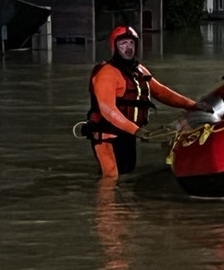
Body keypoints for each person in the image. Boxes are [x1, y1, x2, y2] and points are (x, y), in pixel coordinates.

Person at [84, 26, 200, 179]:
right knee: (111, 177)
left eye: (131, 43)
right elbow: (108, 110)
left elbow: (161, 92)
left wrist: (192, 105)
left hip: (128, 135)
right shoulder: (106, 73)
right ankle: (104, 201)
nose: (128, 48)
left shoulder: (139, 71)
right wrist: (138, 131)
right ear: (114, 46)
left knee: (126, 172)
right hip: (107, 136)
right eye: (123, 44)